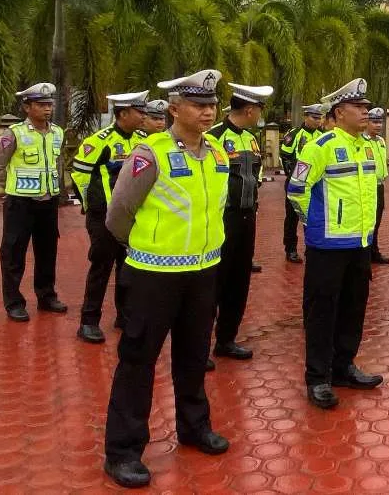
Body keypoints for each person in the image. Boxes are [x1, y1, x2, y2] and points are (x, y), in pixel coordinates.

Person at [102, 70, 230, 488]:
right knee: (138, 362)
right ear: (175, 109)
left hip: (202, 273)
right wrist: (141, 247)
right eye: (198, 104)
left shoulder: (217, 154)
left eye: (212, 103)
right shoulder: (149, 153)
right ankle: (123, 451)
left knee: (194, 357)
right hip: (153, 275)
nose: (208, 111)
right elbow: (119, 213)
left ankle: (194, 428)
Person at [287, 79, 383, 409]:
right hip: (327, 246)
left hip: (359, 244)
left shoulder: (369, 146)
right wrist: (313, 224)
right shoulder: (320, 146)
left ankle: (344, 367)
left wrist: (368, 233)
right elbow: (296, 189)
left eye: (367, 108)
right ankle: (318, 378)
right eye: (359, 108)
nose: (366, 113)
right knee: (321, 313)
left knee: (353, 310)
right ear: (340, 112)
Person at [71, 90, 149, 343]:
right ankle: (88, 321)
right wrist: (92, 207)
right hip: (104, 217)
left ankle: (124, 317)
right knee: (101, 268)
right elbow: (80, 176)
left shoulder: (143, 140)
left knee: (128, 268)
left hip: (132, 216)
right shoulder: (99, 141)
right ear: (123, 113)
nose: (143, 116)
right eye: (139, 111)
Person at [0, 82, 67, 322]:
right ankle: (14, 302)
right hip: (20, 204)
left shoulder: (57, 132)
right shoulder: (14, 133)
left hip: (48, 202)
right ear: (27, 107)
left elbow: (57, 164)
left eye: (49, 104)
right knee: (13, 253)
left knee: (47, 252)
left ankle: (46, 296)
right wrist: (15, 187)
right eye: (41, 105)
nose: (47, 109)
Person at [207, 83, 272, 364]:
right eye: (259, 110)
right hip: (221, 219)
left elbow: (254, 175)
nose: (259, 115)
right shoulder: (213, 138)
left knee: (238, 281)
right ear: (249, 109)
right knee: (213, 283)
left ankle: (226, 339)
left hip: (246, 218)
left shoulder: (251, 139)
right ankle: (198, 346)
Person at [280, 104, 326, 263]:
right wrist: (293, 176)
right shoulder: (295, 134)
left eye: (320, 117)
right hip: (297, 182)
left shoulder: (322, 135)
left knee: (313, 216)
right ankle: (290, 248)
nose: (317, 121)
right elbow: (285, 156)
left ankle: (311, 247)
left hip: (316, 184)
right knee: (292, 217)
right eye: (314, 117)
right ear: (306, 117)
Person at [365, 108, 389, 265]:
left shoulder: (381, 141)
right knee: (369, 221)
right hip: (368, 186)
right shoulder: (362, 141)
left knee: (377, 220)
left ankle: (374, 251)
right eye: (374, 122)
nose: (378, 125)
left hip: (379, 185)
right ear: (367, 123)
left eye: (380, 122)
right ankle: (366, 253)